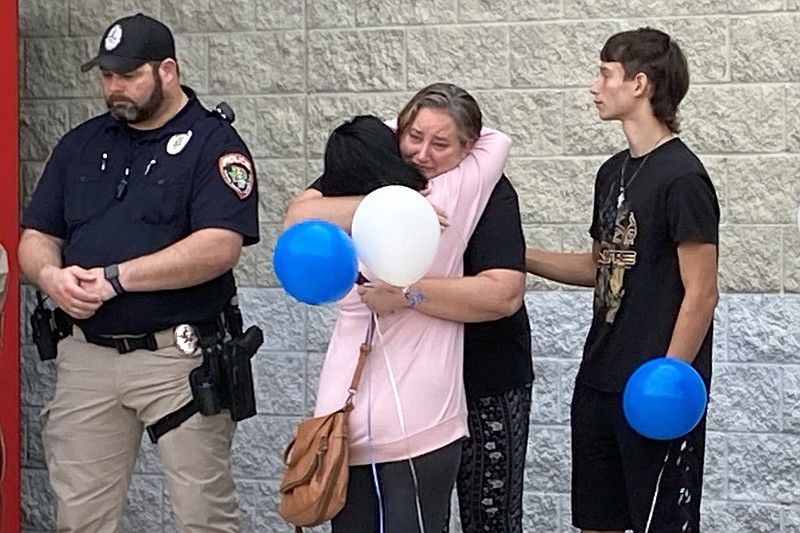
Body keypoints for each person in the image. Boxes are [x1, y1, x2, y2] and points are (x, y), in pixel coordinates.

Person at [18, 13, 259, 532]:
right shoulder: (79, 144)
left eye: (127, 75)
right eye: (106, 75)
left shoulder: (213, 144)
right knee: (80, 519)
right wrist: (51, 278)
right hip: (86, 355)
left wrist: (117, 277)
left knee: (204, 518)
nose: (114, 87)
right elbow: (36, 237)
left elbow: (219, 246)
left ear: (167, 70)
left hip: (178, 358)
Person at [284, 83, 512, 532]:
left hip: (361, 417)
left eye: (439, 143)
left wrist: (402, 127)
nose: (424, 153)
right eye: (413, 137)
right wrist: (390, 193)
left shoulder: (337, 212)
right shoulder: (442, 198)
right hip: (379, 423)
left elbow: (296, 217)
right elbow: (496, 140)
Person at [526, 28, 719, 533]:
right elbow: (598, 268)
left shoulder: (683, 178)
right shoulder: (611, 173)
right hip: (597, 382)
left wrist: (667, 381)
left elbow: (702, 293)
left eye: (604, 73)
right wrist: (515, 255)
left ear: (640, 84)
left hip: (655, 389)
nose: (594, 86)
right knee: (596, 522)